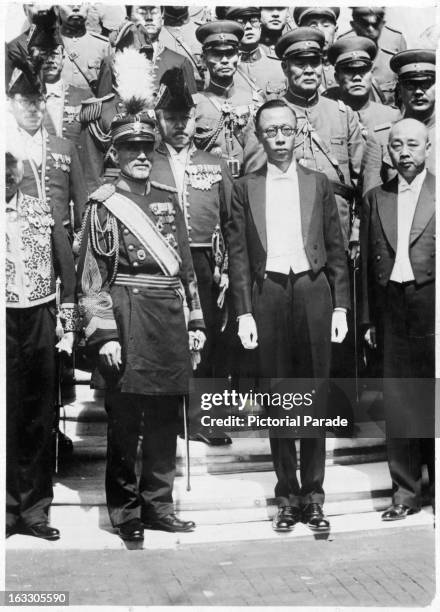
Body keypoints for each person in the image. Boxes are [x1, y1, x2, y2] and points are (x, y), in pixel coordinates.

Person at [77, 52, 206, 542]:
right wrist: (104, 333)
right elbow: (91, 278)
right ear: (114, 152)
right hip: (127, 319)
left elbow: (187, 271)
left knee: (164, 420)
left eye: (145, 147)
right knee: (125, 422)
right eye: (130, 146)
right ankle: (127, 511)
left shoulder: (168, 199)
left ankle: (159, 504)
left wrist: (195, 321)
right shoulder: (103, 205)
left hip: (168, 319)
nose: (138, 155)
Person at [227, 99, 350, 532]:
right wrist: (244, 312)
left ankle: (314, 496)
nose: (279, 139)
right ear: (260, 136)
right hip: (269, 293)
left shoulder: (318, 183)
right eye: (270, 132)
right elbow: (238, 256)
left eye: (286, 130)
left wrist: (340, 305)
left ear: (297, 132)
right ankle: (286, 495)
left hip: (313, 290)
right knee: (278, 397)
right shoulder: (244, 187)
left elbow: (336, 249)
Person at [151, 67, 233, 446]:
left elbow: (231, 220)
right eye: (171, 119)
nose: (179, 126)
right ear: (159, 119)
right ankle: (169, 416)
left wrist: (228, 266)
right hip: (160, 262)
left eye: (184, 119)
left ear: (194, 119)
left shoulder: (214, 164)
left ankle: (205, 418)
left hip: (204, 262)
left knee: (208, 339)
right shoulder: (147, 162)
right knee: (167, 340)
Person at [360, 118, 435, 520]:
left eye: (412, 144)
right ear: (387, 151)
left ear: (426, 148)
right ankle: (405, 493)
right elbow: (367, 268)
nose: (404, 152)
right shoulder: (376, 198)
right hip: (391, 308)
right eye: (396, 145)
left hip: (431, 307)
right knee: (400, 400)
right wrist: (370, 320)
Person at [6, 137, 77, 540]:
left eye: (9, 169)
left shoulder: (41, 210)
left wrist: (64, 320)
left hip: (38, 318)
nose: (5, 177)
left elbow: (66, 268)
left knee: (37, 414)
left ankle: (33, 510)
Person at [275, 28, 364, 249]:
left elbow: (363, 179)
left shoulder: (343, 115)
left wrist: (357, 228)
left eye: (314, 63)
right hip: (287, 225)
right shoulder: (269, 115)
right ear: (284, 67)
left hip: (337, 225)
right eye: (300, 63)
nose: (308, 71)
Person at [7, 58, 87, 244]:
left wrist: (81, 242)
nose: (32, 109)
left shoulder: (65, 147)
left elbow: (81, 201)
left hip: (63, 244)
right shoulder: (6, 148)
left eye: (38, 101)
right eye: (25, 101)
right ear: (10, 104)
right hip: (18, 242)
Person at [194, 20, 266, 178]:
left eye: (230, 53)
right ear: (203, 59)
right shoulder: (195, 105)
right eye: (217, 54)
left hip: (247, 185)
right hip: (208, 186)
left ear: (238, 57)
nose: (225, 60)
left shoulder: (255, 103)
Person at [362, 49, 435, 193]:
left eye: (426, 84)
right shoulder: (381, 137)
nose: (419, 91)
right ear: (400, 90)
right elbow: (371, 199)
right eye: (410, 85)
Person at [338, 7, 407, 106]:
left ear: (382, 23)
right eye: (364, 24)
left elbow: (405, 90)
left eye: (375, 24)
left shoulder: (396, 41)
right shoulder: (343, 43)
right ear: (353, 25)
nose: (370, 29)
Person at [225, 7, 287, 99]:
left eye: (254, 21)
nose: (248, 27)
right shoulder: (224, 70)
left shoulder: (280, 65)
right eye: (240, 22)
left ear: (260, 28)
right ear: (231, 31)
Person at [57, 3, 110, 96]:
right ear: (57, 7)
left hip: (92, 109)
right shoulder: (46, 44)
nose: (76, 7)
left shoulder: (103, 45)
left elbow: (107, 94)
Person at [293, 7, 340, 93]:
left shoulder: (346, 68)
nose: (320, 31)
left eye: (326, 25)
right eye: (313, 26)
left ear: (336, 31)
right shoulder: (293, 70)